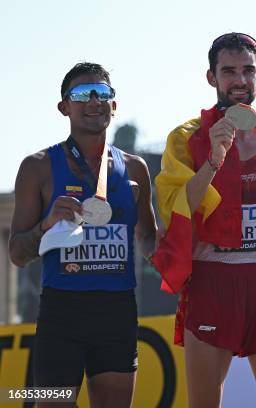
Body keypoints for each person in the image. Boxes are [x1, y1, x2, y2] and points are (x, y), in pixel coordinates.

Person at [153, 33, 256, 407]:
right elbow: (176, 209)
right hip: (213, 279)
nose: (240, 80)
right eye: (229, 71)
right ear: (211, 77)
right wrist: (214, 158)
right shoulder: (187, 137)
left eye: (247, 70)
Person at [9, 62, 157, 407]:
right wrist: (46, 224)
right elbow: (17, 253)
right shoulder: (38, 167)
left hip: (117, 311)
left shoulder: (135, 168)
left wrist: (183, 256)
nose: (94, 101)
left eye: (103, 93)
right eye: (81, 94)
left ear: (114, 105)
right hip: (62, 313)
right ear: (64, 107)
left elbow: (149, 239)